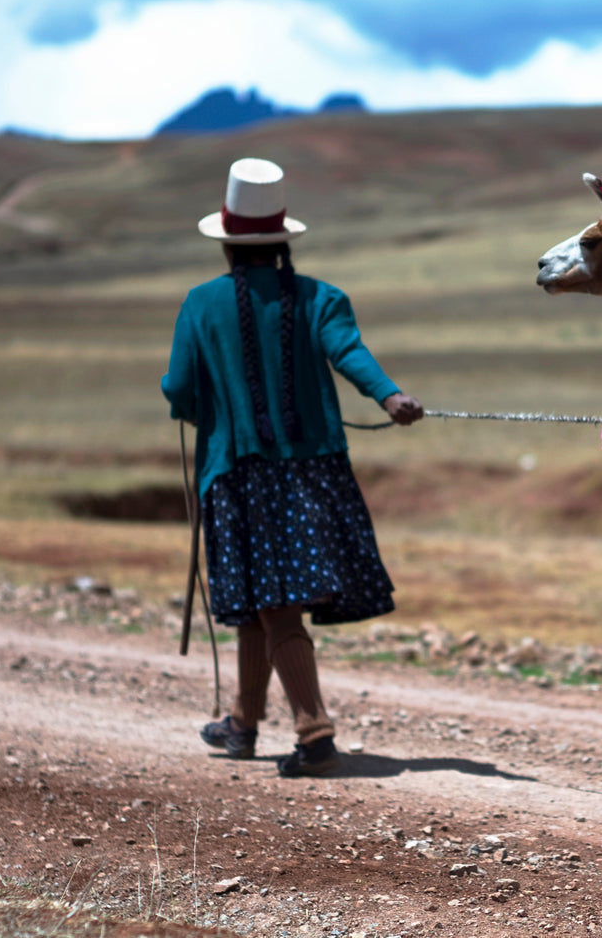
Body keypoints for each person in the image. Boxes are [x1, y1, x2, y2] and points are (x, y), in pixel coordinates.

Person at [161, 157, 423, 777]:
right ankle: (242, 724)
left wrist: (214, 416)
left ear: (228, 245)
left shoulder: (201, 305)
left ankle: (314, 732)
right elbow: (348, 354)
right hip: (313, 475)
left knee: (273, 603)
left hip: (240, 475)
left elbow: (178, 388)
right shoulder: (321, 299)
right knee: (263, 603)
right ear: (281, 239)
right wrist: (389, 396)